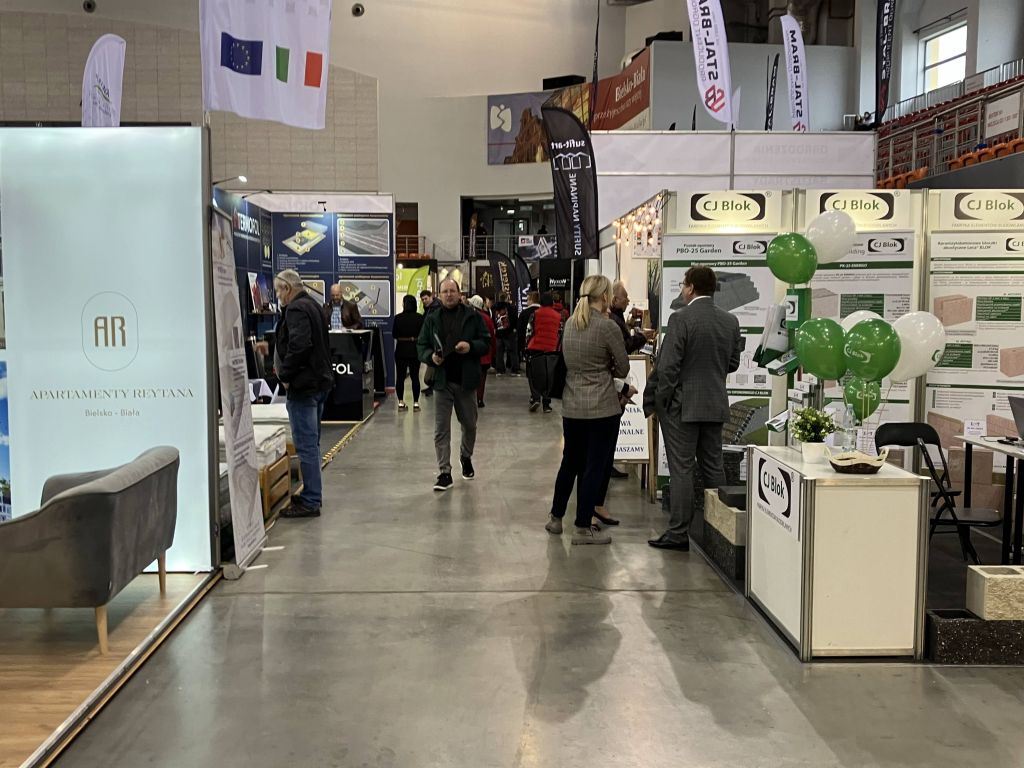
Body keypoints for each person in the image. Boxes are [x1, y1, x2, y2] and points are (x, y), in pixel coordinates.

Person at [648, 265, 742, 551]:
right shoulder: (730, 321)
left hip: (682, 408)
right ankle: (719, 532)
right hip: (714, 403)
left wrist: (663, 401)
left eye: (683, 285)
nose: (682, 290)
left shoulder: (680, 319)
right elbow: (733, 363)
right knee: (714, 467)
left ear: (690, 287)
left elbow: (668, 367)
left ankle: (678, 533)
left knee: (682, 469)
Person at [545, 275, 629, 545]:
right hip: (602, 407)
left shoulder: (571, 323)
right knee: (594, 467)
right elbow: (623, 368)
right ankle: (582, 527)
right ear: (604, 296)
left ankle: (556, 518)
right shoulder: (607, 327)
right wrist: (608, 367)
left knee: (569, 462)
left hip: (572, 406)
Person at [417, 278, 491, 492]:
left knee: (470, 425)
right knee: (441, 429)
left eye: (452, 291)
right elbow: (421, 345)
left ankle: (465, 456)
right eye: (444, 291)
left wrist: (471, 346)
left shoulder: (473, 317)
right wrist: (431, 357)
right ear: (439, 295)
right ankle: (444, 472)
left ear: (460, 294)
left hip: (466, 382)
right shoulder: (432, 318)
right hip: (442, 382)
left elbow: (486, 342)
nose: (448, 294)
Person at [273, 269, 334, 518]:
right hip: (319, 384)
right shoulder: (313, 305)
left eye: (278, 291)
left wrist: (285, 375)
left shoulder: (296, 309)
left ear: (287, 288)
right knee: (313, 443)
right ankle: (312, 492)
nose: (278, 296)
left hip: (304, 387)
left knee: (306, 445)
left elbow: (300, 345)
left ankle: (310, 500)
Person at [525, 292, 563, 413]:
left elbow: (529, 331)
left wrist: (526, 345)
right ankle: (547, 404)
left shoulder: (535, 314)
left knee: (533, 374)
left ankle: (536, 397)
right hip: (552, 349)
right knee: (549, 376)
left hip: (536, 347)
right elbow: (560, 333)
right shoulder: (558, 316)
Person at [393, 294, 425, 412]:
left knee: (400, 377)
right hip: (415, 350)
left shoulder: (397, 318)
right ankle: (416, 403)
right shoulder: (420, 317)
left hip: (401, 350)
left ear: (404, 304)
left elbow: (394, 334)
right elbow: (423, 334)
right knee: (415, 376)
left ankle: (401, 402)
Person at [468, 295, 497, 408]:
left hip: (471, 352)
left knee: (470, 376)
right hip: (485, 354)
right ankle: (480, 399)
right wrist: (493, 352)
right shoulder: (487, 318)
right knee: (482, 378)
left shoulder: (468, 317)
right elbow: (492, 337)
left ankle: (471, 398)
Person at [610, 281, 649, 354]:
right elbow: (623, 346)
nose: (628, 301)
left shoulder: (616, 317)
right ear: (615, 300)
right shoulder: (613, 320)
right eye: (625, 297)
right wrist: (642, 337)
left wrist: (633, 318)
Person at [492, 291, 520, 376]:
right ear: (507, 298)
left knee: (499, 353)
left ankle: (500, 370)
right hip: (509, 333)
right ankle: (514, 370)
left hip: (499, 333)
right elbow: (515, 319)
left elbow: (493, 319)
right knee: (512, 352)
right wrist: (514, 328)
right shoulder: (511, 307)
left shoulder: (494, 308)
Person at [517, 290, 540, 355]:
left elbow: (520, 331)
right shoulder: (543, 312)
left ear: (531, 300)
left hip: (528, 344)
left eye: (527, 300)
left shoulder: (524, 313)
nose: (527, 302)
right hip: (542, 345)